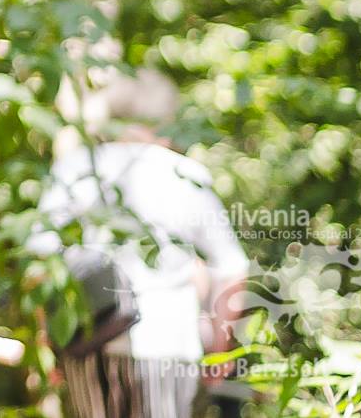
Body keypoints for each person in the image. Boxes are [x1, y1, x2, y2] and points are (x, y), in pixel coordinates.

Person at [34, 69, 251, 418]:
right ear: (165, 120)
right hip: (169, 344)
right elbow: (232, 269)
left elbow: (42, 265)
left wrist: (50, 341)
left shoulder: (74, 168)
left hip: (88, 342)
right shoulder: (184, 174)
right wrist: (220, 352)